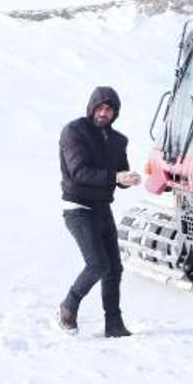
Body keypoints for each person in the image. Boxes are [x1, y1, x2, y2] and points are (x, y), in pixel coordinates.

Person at [59, 86, 141, 337]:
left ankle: (114, 324)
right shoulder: (74, 131)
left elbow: (117, 173)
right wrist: (114, 176)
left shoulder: (118, 141)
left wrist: (125, 179)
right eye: (100, 107)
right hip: (78, 207)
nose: (104, 113)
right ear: (92, 107)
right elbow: (78, 171)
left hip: (103, 208)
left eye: (110, 109)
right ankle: (68, 306)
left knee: (114, 269)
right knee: (98, 264)